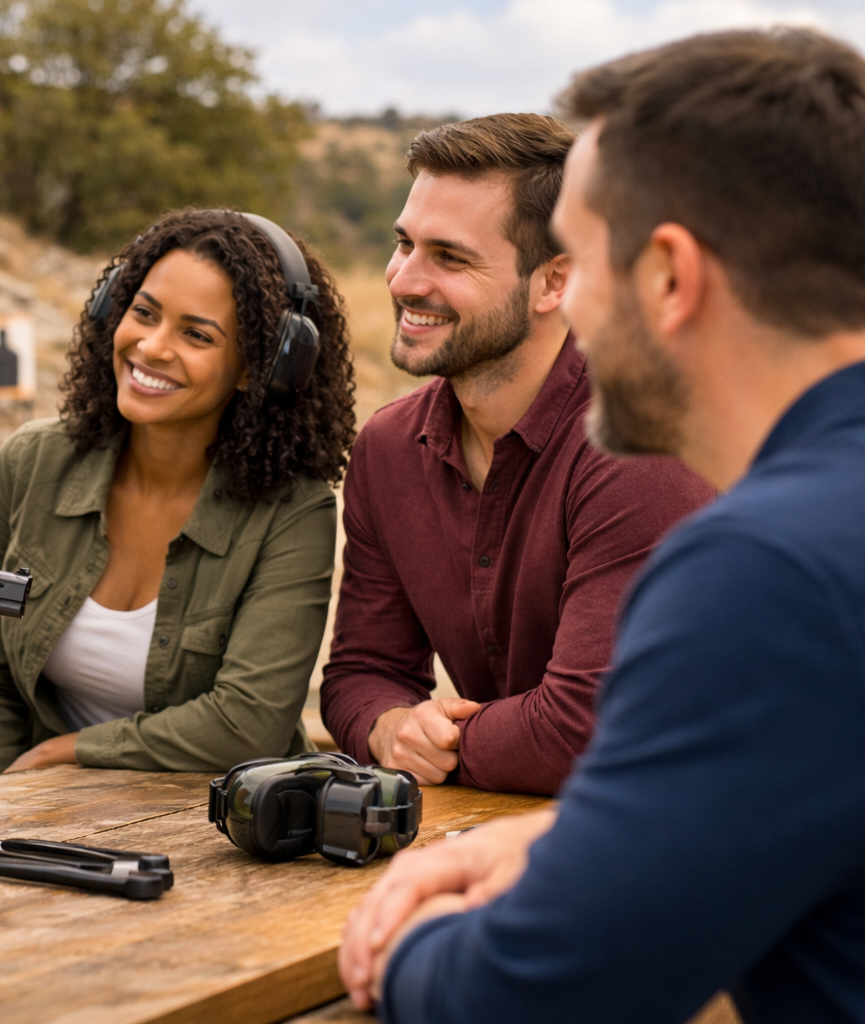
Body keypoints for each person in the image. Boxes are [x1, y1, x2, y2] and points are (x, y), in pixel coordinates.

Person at [341, 28, 865, 1022]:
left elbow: (535, 992)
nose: (570, 304)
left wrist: (403, 942)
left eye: (583, 259)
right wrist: (554, 840)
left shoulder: (765, 570)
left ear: (668, 274)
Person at [319, 113, 711, 795]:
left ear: (555, 282)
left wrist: (445, 745)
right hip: (522, 829)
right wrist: (389, 727)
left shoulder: (639, 444)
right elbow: (360, 671)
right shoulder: (387, 450)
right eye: (403, 244)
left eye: (450, 257)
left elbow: (583, 729)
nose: (404, 280)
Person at [0, 209, 358, 780]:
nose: (152, 347)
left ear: (260, 368)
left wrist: (67, 752)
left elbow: (246, 722)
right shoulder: (32, 462)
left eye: (197, 335)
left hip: (218, 828)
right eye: (144, 313)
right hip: (37, 811)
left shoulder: (294, 511)